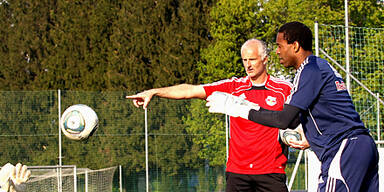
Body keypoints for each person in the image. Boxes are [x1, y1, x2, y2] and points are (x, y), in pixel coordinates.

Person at [206, 21, 379, 192]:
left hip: (343, 149)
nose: (277, 51)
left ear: (295, 46)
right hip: (362, 145)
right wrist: (305, 136)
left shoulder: (309, 70)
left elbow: (283, 119)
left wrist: (240, 108)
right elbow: (294, 119)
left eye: (280, 45)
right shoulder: (319, 66)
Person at [126, 39, 305, 192]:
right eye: (244, 60)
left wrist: (307, 138)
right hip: (238, 173)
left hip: (271, 172)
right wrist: (155, 91)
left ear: (265, 60)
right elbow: (190, 90)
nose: (248, 65)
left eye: (252, 59)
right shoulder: (233, 87)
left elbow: (306, 117)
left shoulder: (285, 89)